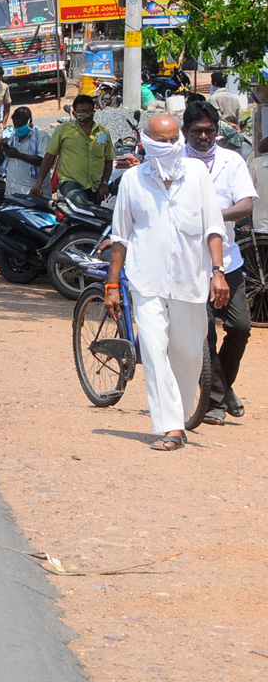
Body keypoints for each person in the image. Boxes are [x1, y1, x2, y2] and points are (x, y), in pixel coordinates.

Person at [107, 114, 229, 451]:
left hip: (191, 280)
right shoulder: (132, 180)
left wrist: (218, 271)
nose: (170, 146)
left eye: (175, 139)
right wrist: (112, 285)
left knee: (189, 353)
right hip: (146, 280)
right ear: (146, 142)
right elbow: (121, 237)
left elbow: (213, 228)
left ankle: (179, 414)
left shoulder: (197, 175)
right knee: (154, 350)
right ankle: (171, 426)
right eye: (162, 140)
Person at [181, 101, 256, 424]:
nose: (203, 136)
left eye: (209, 130)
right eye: (196, 131)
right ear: (185, 132)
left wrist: (214, 216)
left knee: (240, 327)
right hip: (189, 264)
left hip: (228, 260)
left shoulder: (232, 161)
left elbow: (246, 204)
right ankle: (214, 401)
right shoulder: (175, 161)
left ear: (217, 131)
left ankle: (223, 388)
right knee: (205, 334)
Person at [32, 94, 115, 204]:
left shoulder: (103, 133)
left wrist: (104, 183)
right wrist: (39, 183)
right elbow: (49, 157)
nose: (86, 114)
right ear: (74, 114)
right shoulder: (63, 131)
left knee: (93, 217)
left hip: (95, 187)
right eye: (82, 111)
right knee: (81, 204)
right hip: (70, 183)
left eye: (89, 111)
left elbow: (109, 160)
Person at [0, 106, 51, 198]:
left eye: (21, 125)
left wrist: (18, 155)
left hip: (33, 192)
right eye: (16, 126)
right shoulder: (12, 139)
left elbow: (43, 161)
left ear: (30, 121)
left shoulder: (41, 137)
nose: (18, 128)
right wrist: (1, 149)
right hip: (13, 192)